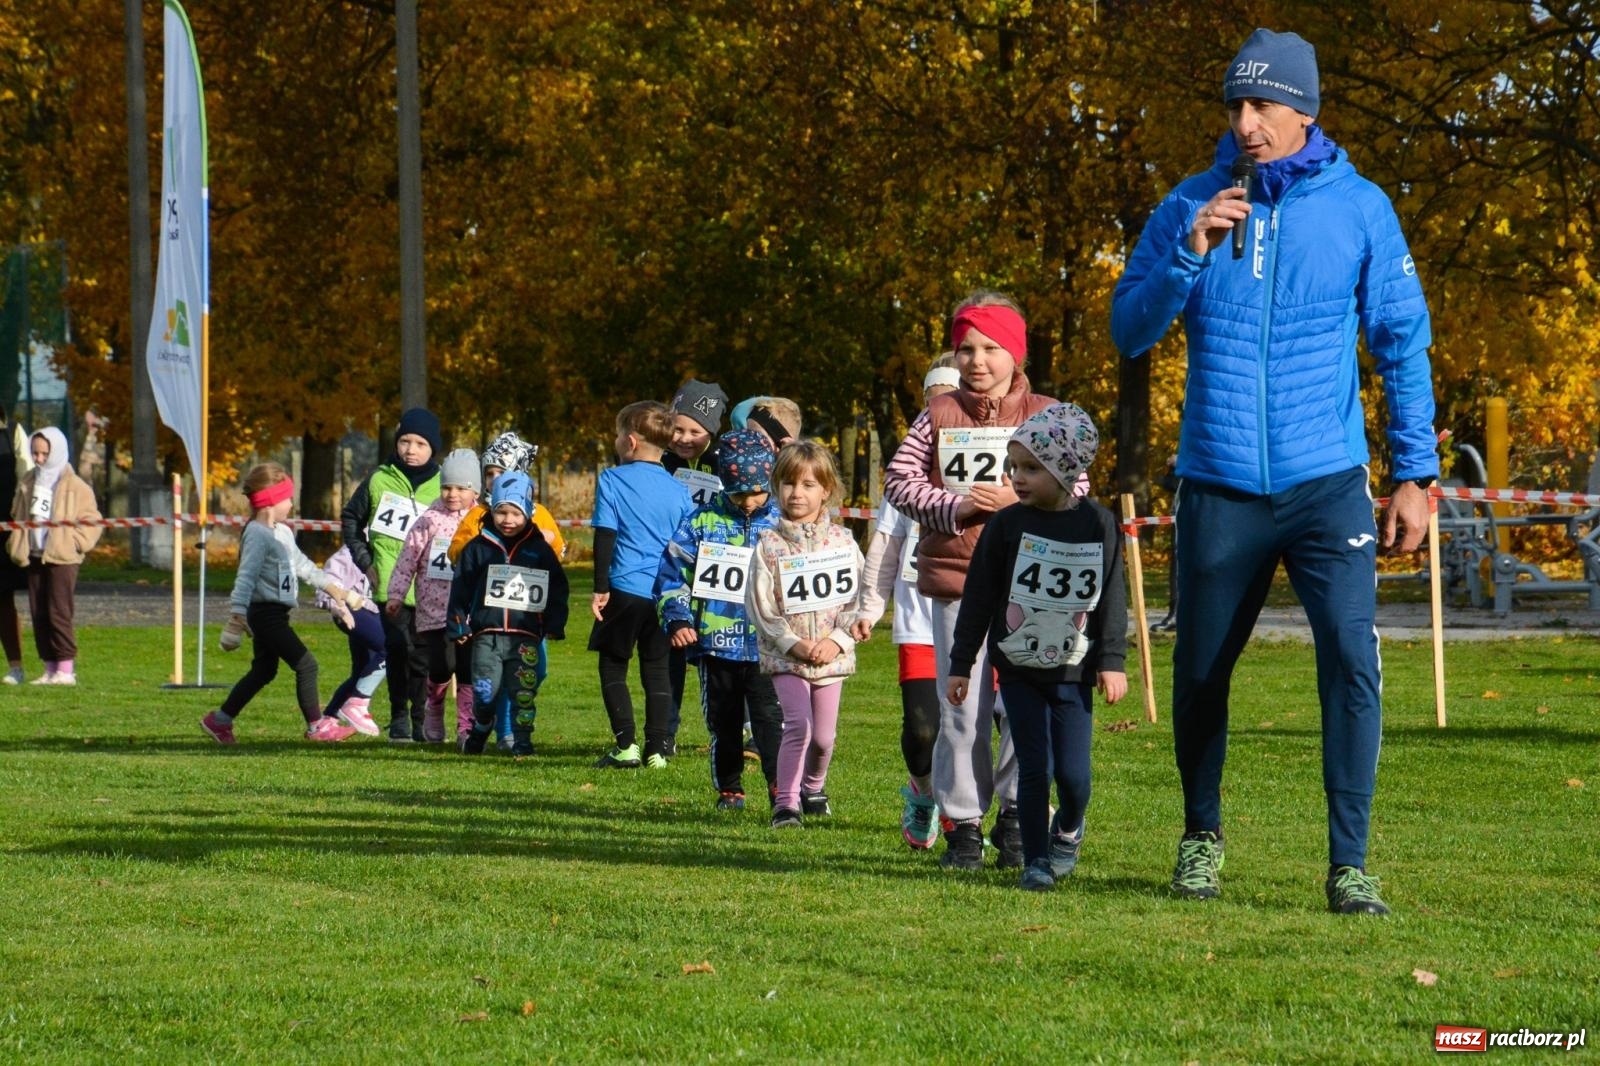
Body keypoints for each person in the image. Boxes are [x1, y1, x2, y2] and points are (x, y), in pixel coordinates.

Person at [1110, 28, 1438, 916]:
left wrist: (1417, 473)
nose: (1246, 123)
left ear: (1305, 111)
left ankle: (1350, 863)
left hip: (1327, 480)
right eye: (1235, 106)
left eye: (1263, 106)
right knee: (1202, 672)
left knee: (1349, 658)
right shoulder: (1189, 201)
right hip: (1218, 482)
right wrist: (1188, 248)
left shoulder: (1362, 206)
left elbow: (1403, 343)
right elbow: (1129, 330)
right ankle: (1200, 839)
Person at [882, 292, 1075, 870]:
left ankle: (1017, 816)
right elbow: (898, 481)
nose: (977, 360)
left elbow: (1080, 486)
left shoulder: (1047, 414)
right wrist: (958, 507)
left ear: (1015, 353)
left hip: (1034, 581)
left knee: (1024, 705)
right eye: (966, 348)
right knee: (961, 705)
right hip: (958, 581)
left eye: (991, 348)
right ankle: (962, 824)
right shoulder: (935, 416)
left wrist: (1021, 496)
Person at [946, 404, 1128, 891]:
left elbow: (1112, 596)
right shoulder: (1006, 526)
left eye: (1031, 468)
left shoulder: (1099, 524)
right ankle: (1037, 862)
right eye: (1014, 467)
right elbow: (979, 598)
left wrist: (1111, 662)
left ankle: (1068, 827)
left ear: (1065, 469)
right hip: (1020, 669)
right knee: (1034, 767)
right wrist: (962, 664)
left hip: (1073, 671)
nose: (1017, 479)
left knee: (1073, 778)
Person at [860, 359, 961, 849]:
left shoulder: (989, 469)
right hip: (919, 624)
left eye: (951, 398)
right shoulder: (907, 477)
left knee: (975, 729)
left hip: (976, 623)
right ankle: (922, 794)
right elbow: (884, 548)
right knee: (923, 729)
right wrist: (868, 606)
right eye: (932, 399)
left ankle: (968, 820)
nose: (940, 409)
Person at [655, 429, 784, 812]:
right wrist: (677, 619)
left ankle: (783, 790)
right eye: (739, 493)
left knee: (769, 722)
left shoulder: (782, 524)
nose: (748, 502)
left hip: (770, 645)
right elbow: (670, 575)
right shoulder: (700, 523)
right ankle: (730, 789)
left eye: (757, 492)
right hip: (715, 644)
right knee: (723, 721)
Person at [749, 442, 870, 829]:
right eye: (787, 484)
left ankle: (813, 787)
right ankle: (785, 804)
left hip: (831, 656)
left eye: (807, 484)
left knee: (824, 738)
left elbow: (860, 597)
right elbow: (761, 606)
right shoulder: (768, 545)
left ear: (826, 490)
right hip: (787, 657)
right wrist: (793, 644)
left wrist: (838, 640)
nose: (796, 493)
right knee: (798, 725)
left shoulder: (844, 542)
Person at [204, 464, 366, 743]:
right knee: (307, 665)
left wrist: (332, 587)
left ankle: (220, 721)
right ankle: (318, 727)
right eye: (287, 498)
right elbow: (245, 578)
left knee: (264, 671)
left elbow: (302, 565)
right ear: (269, 501)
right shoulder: (257, 534)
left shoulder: (282, 532)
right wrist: (236, 615)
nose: (292, 504)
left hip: (277, 613)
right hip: (264, 615)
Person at [590, 401, 694, 769]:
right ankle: (658, 749)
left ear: (630, 442)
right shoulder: (679, 490)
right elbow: (685, 547)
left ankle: (625, 745)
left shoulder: (612, 479)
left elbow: (606, 534)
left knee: (613, 665)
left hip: (624, 587)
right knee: (658, 669)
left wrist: (600, 585)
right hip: (664, 593)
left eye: (619, 434)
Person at [447, 432, 566, 748]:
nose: (508, 520)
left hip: (526, 631)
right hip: (487, 631)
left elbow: (557, 584)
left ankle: (520, 739)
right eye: (501, 512)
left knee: (524, 688)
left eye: (515, 513)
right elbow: (461, 583)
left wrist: (554, 623)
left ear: (527, 511)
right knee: (486, 688)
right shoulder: (479, 544)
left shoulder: (537, 546)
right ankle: (483, 722)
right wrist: (458, 621)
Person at [340, 408, 442, 742]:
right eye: (405, 441)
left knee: (421, 657)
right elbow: (351, 520)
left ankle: (420, 720)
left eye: (420, 444)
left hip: (430, 590)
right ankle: (399, 716)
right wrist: (365, 560)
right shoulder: (379, 479)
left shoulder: (444, 486)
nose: (411, 450)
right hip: (389, 587)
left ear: (433, 448)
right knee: (398, 648)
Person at [388, 448, 480, 743]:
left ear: (474, 490)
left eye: (460, 488)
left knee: (467, 667)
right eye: (446, 487)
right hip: (434, 609)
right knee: (443, 665)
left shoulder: (482, 520)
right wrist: (396, 594)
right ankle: (434, 707)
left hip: (469, 610)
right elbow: (407, 560)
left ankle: (466, 726)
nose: (452, 494)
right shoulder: (428, 520)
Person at [6, 427, 101, 685]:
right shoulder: (28, 481)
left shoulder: (75, 485)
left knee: (59, 611)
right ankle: (49, 668)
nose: (38, 458)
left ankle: (66, 668)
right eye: (34, 453)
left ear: (56, 452)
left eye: (43, 453)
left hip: (62, 558)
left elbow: (92, 521)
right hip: (34, 555)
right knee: (39, 612)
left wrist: (76, 543)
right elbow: (18, 513)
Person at [315, 544, 386, 737]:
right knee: (391, 648)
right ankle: (357, 703)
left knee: (362, 671)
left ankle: (326, 723)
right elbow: (327, 582)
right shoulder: (352, 551)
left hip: (374, 612)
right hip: (351, 610)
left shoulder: (392, 547)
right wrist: (337, 606)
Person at [0, 416, 30, 684]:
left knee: (3, 602)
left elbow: (26, 479)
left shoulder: (13, 432)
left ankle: (16, 667)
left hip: (4, 531)